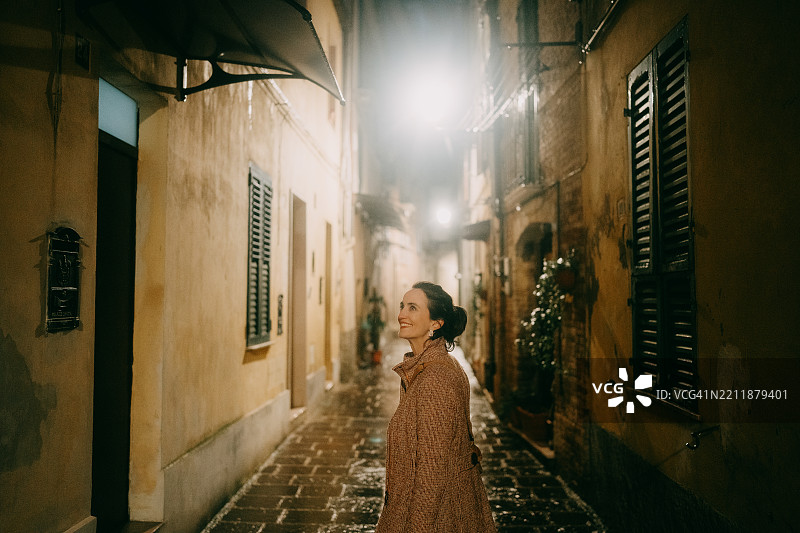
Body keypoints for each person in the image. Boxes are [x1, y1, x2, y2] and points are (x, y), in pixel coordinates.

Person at [376, 282, 497, 532]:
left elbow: (432, 472)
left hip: (438, 517)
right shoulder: (431, 366)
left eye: (412, 308)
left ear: (435, 323)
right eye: (402, 306)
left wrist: (418, 527)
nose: (401, 315)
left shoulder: (435, 379)